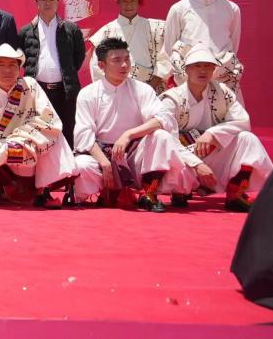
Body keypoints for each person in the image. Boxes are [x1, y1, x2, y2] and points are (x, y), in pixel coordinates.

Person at [71, 37, 187, 212]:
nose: (124, 65)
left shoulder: (142, 89)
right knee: (81, 166)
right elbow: (83, 134)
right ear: (101, 66)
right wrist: (105, 163)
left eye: (127, 59)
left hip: (133, 153)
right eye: (117, 60)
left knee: (161, 137)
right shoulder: (88, 93)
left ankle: (149, 193)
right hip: (101, 155)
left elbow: (163, 118)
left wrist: (129, 135)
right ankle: (107, 192)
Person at [159, 47, 273, 212]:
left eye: (208, 66)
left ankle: (235, 193)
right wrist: (197, 164)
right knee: (175, 163)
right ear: (187, 69)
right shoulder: (173, 98)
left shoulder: (223, 92)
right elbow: (166, 138)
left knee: (248, 139)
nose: (203, 70)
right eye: (197, 66)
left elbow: (243, 121)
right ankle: (179, 192)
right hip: (183, 156)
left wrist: (212, 133)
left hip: (211, 151)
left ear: (214, 69)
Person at [0, 44, 76, 208]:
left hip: (27, 143)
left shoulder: (30, 86)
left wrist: (23, 139)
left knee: (55, 137)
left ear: (19, 69)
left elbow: (49, 119)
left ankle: (41, 191)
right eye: (1, 65)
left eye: (12, 65)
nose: (7, 70)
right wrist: (1, 152)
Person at [164, 0, 244, 100]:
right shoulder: (179, 9)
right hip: (189, 76)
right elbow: (170, 46)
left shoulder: (231, 8)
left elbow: (234, 42)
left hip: (223, 75)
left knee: (228, 112)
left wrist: (220, 67)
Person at [18, 0, 86, 148]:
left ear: (58, 2)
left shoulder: (71, 29)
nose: (47, 2)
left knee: (67, 128)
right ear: (37, 3)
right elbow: (21, 58)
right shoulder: (26, 31)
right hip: (37, 90)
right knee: (38, 130)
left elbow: (79, 57)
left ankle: (68, 161)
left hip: (65, 90)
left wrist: (67, 74)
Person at [88, 0, 170, 95]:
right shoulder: (106, 32)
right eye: (124, 0)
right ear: (118, 2)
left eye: (133, 0)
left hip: (152, 90)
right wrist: (114, 89)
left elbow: (165, 56)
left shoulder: (155, 28)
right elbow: (97, 66)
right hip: (117, 92)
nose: (129, 4)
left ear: (139, 2)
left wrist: (152, 85)